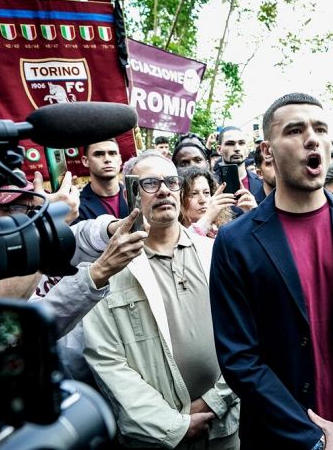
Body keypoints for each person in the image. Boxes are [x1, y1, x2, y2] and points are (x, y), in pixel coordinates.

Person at [209, 93, 333, 449]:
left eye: (320, 128)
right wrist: (316, 440)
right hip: (282, 439)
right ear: (267, 150)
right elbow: (239, 358)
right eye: (295, 130)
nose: (311, 138)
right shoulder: (235, 242)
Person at [83, 151, 240, 449]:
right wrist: (172, 425)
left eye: (171, 181)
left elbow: (247, 335)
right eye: (151, 183)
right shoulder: (109, 269)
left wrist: (214, 401)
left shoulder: (217, 252)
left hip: (224, 427)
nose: (165, 190)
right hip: (156, 439)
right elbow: (107, 361)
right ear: (130, 191)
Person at [77, 139, 129, 223]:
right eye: (98, 154)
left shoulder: (136, 197)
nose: (107, 159)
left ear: (120, 160)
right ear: (85, 161)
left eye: (112, 153)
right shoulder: (76, 205)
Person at [178, 166, 234, 238]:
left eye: (206, 193)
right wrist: (207, 219)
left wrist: (250, 212)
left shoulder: (223, 231)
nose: (203, 200)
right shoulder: (171, 233)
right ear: (179, 198)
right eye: (194, 194)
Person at [216, 126, 266, 204]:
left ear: (247, 149)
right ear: (219, 150)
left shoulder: (263, 183)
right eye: (230, 144)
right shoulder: (209, 184)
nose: (237, 148)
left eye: (241, 143)